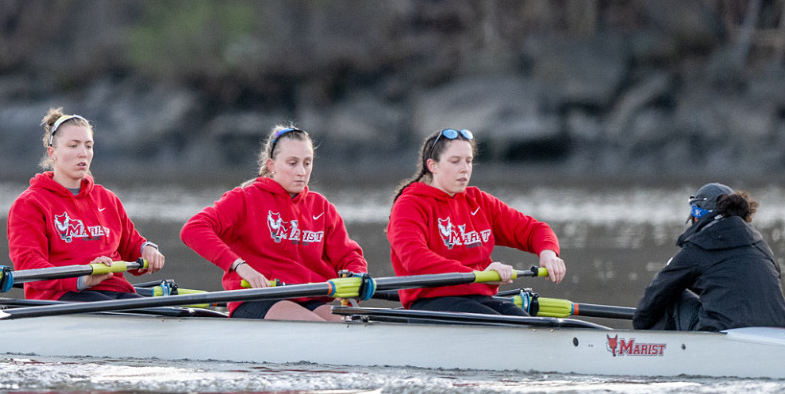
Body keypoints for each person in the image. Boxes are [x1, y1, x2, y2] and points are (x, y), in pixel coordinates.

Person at [181, 124, 366, 320]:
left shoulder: (322, 207)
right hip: (257, 297)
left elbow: (349, 257)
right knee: (324, 331)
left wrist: (357, 279)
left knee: (344, 326)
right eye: (292, 163)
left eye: (307, 163)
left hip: (308, 298)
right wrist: (239, 266)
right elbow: (193, 229)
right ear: (271, 165)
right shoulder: (245, 198)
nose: (302, 171)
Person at [385, 127, 567, 315]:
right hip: (430, 302)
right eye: (455, 161)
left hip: (478, 297)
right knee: (511, 328)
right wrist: (477, 275)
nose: (464, 169)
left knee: (528, 325)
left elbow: (533, 230)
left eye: (469, 161)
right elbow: (415, 260)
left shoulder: (478, 201)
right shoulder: (409, 205)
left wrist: (548, 253)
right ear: (433, 166)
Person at [6, 109, 163, 302]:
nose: (83, 153)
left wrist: (147, 249)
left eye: (88, 146)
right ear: (52, 152)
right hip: (60, 298)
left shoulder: (107, 199)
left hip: (114, 292)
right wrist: (83, 278)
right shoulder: (29, 204)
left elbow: (133, 244)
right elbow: (29, 266)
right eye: (73, 146)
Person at [633, 183, 785, 332]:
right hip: (780, 330)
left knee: (669, 295)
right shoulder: (761, 246)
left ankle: (656, 354)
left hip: (725, 336)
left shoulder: (698, 248)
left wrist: (639, 329)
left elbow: (652, 300)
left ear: (697, 217)